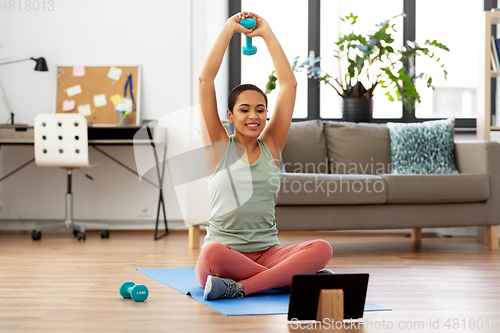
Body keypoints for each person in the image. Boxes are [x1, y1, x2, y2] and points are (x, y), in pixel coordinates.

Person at [196, 12, 333, 300]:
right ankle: (290, 279)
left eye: (260, 109)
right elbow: (206, 80)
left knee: (322, 249)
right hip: (226, 255)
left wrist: (267, 33)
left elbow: (288, 86)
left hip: (269, 252)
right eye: (244, 109)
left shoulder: (272, 146)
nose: (254, 115)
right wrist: (228, 30)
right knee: (212, 254)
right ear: (230, 116)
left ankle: (242, 287)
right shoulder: (219, 146)